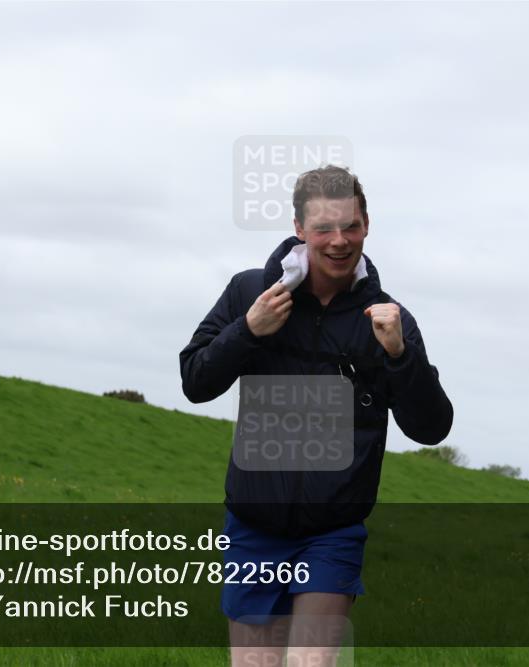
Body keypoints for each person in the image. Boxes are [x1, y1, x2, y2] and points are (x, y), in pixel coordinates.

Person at [179, 165, 453, 666]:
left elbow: (431, 427)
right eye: (324, 228)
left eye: (350, 226)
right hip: (253, 527)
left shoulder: (388, 317)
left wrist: (399, 356)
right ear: (299, 229)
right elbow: (196, 381)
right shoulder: (250, 293)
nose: (339, 241)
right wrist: (248, 330)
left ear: (367, 225)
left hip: (332, 532)